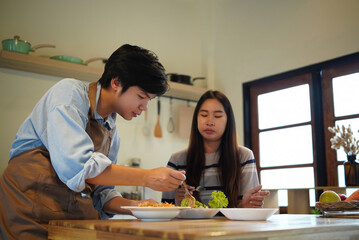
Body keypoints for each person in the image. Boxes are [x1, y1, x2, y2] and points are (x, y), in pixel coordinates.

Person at [0, 44, 186, 240]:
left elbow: (101, 194)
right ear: (116, 82)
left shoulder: (111, 131)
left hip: (72, 220)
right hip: (28, 211)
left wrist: (140, 207)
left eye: (149, 100)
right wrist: (147, 177)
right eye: (141, 96)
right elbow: (79, 167)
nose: (145, 107)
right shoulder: (68, 95)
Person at [162, 90, 269, 208]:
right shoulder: (177, 160)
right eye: (203, 115)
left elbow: (247, 209)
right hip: (190, 227)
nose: (209, 122)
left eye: (217, 116)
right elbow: (165, 209)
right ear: (196, 119)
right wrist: (178, 202)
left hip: (233, 227)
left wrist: (246, 204)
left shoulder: (244, 156)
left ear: (228, 121)